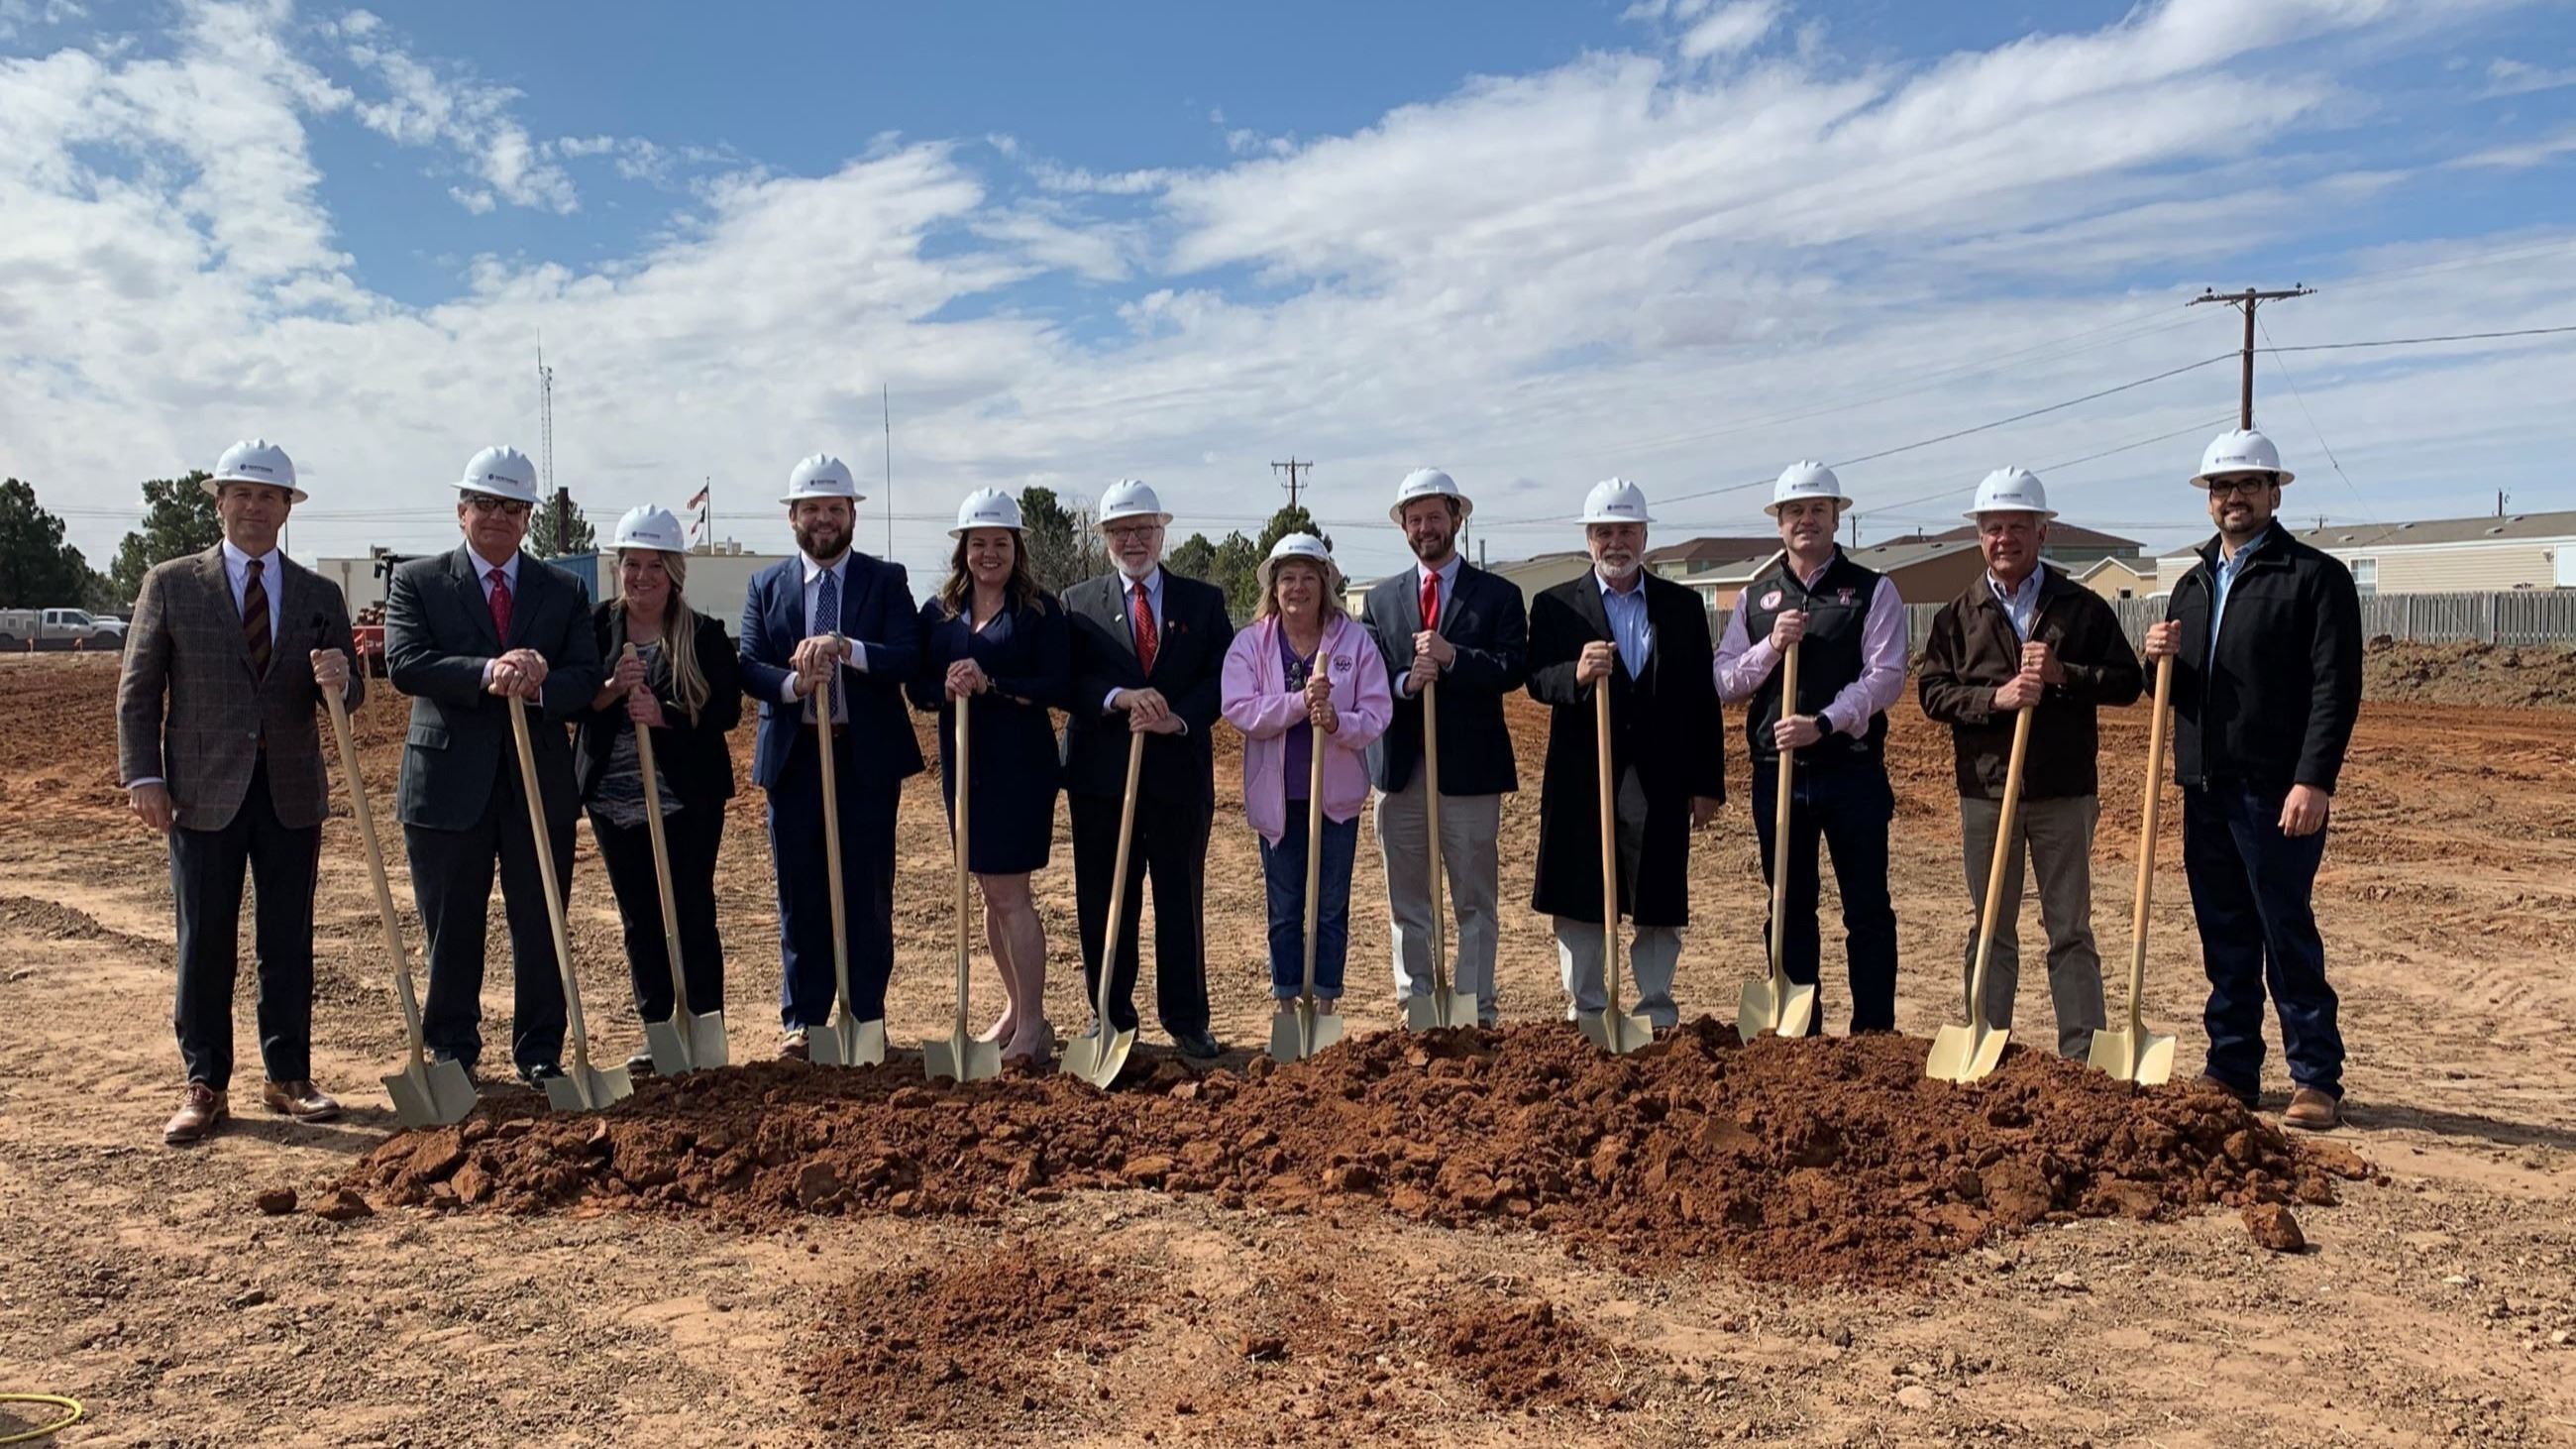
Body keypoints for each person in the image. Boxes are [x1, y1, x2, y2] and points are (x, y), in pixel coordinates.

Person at [117, 439, 362, 1143]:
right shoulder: (171, 584)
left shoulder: (319, 595)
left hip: (289, 793)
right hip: (201, 793)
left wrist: (341, 683)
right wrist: (144, 777)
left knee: (287, 939)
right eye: (242, 494)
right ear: (219, 501)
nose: (255, 507)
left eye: (269, 496)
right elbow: (138, 693)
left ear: (288, 508)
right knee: (205, 942)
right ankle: (205, 1083)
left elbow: (349, 703)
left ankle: (288, 1076)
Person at [2143, 428, 2361, 1131]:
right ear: (2208, 500)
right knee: (2225, 933)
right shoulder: (2192, 582)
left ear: (2274, 492)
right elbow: (2176, 695)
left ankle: (2316, 1078)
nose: (2232, 498)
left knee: (2284, 930)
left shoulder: (2314, 578)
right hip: (2204, 785)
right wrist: (2158, 663)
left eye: (2246, 485)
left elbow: (2335, 688)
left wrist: (2313, 779)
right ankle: (2232, 1067)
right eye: (2220, 488)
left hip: (2276, 788)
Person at [383, 446, 602, 1088]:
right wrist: (487, 672)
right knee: (451, 927)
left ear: (528, 516)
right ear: (462, 511)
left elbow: (585, 677)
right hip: (447, 788)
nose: (498, 518)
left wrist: (539, 682)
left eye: (512, 507)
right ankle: (452, 1050)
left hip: (535, 785)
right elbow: (406, 663)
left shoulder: (562, 589)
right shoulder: (418, 581)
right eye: (485, 504)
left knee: (540, 925)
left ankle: (539, 1050)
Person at [1918, 468, 2142, 1057]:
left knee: (2069, 927)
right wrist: (1997, 698)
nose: (2005, 538)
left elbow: (2126, 682)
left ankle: (2083, 1050)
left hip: (2063, 792)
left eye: (2018, 525)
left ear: (2044, 532)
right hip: (1986, 793)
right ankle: (1985, 1040)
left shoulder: (2081, 607)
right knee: (1990, 924)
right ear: (1979, 537)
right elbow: (1932, 693)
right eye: (1994, 527)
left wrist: (2062, 675)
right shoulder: (1958, 615)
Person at [1712, 462, 1907, 1035]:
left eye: (1817, 510)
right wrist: (1772, 646)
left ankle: (1874, 1033)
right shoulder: (1756, 595)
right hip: (1779, 774)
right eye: (1794, 511)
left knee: (1867, 908)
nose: (1806, 520)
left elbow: (1887, 676)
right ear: (1779, 523)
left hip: (1851, 771)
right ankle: (1801, 1030)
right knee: (1790, 907)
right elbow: (1724, 680)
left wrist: (1823, 722)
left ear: (1836, 517)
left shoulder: (1874, 589)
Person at [739, 454, 922, 1059]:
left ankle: (867, 1018)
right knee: (800, 894)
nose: (824, 519)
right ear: (793, 517)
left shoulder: (885, 579)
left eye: (834, 509)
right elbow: (750, 664)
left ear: (852, 515)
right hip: (794, 762)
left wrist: (846, 648)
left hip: (863, 760)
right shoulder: (765, 586)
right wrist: (795, 682)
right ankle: (806, 1021)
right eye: (812, 508)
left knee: (868, 894)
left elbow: (906, 655)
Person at [1524, 480, 1723, 1029]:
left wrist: (1707, 783)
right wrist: (1577, 674)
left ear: (1644, 534)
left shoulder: (1681, 607)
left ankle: (1655, 1007)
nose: (1616, 541)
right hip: (1582, 778)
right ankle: (1586, 1006)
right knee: (1582, 891)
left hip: (1659, 777)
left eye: (1626, 530)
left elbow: (1702, 699)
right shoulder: (1556, 606)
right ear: (1588, 539)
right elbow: (1536, 679)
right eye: (1604, 531)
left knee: (1657, 891)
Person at [1062, 480, 1235, 1059]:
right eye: (1120, 531)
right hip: (1101, 779)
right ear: (1106, 537)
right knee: (1105, 897)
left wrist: (1177, 719)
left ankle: (1187, 1018)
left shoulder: (1203, 602)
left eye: (1143, 529)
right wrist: (1118, 697)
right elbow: (1068, 679)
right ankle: (1109, 1015)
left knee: (1179, 896)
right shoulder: (1078, 603)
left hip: (1178, 775)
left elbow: (1221, 679)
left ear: (1162, 533)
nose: (1133, 540)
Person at [576, 505, 744, 1075]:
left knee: (691, 912)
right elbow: (571, 699)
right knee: (640, 919)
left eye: (654, 566)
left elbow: (727, 708)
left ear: (674, 572)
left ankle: (704, 1027)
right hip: (614, 803)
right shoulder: (595, 628)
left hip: (683, 801)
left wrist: (665, 714)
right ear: (618, 568)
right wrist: (608, 691)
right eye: (631, 564)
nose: (641, 577)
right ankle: (659, 1033)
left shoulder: (703, 635)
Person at [908, 489, 1071, 1065]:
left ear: (1016, 547)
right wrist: (946, 687)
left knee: (1010, 893)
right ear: (963, 549)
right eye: (978, 543)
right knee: (987, 892)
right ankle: (1012, 1006)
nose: (989, 554)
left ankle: (1032, 1024)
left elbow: (1056, 684)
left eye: (1000, 542)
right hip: (964, 767)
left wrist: (992, 683)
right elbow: (918, 687)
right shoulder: (941, 613)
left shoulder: (1039, 612)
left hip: (1019, 769)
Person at [1361, 468, 1527, 1026]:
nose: (1426, 527)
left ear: (1457, 518)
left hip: (1470, 772)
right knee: (1408, 900)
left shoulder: (1498, 596)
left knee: (1474, 900)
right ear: (1404, 528)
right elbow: (1370, 676)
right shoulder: (1382, 600)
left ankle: (1475, 1008)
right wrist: (1407, 682)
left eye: (1436, 516)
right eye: (1415, 519)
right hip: (1401, 771)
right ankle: (1419, 1006)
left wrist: (1454, 657)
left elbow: (1512, 668)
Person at [1223, 534, 1392, 1023]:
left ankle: (1324, 1003)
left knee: (1330, 907)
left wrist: (1339, 722)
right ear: (1274, 588)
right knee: (1285, 907)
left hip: (1334, 802)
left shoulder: (1354, 643)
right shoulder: (1251, 644)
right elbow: (1239, 709)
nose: (1297, 588)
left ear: (1326, 584)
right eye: (1287, 579)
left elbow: (1377, 712)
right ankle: (1284, 1001)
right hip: (1277, 802)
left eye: (1308, 578)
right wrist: (1299, 704)